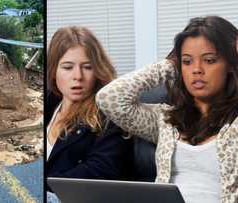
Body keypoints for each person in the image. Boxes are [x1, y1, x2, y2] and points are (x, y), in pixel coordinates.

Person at [96, 15, 238, 203]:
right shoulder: (165, 120)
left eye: (209, 60)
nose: (197, 69)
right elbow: (108, 98)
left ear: (230, 64)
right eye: (187, 62)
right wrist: (171, 64)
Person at [47, 26, 133, 198]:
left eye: (87, 67)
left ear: (98, 70)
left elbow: (101, 169)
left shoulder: (110, 114)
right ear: (54, 70)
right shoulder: (49, 102)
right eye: (67, 67)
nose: (77, 76)